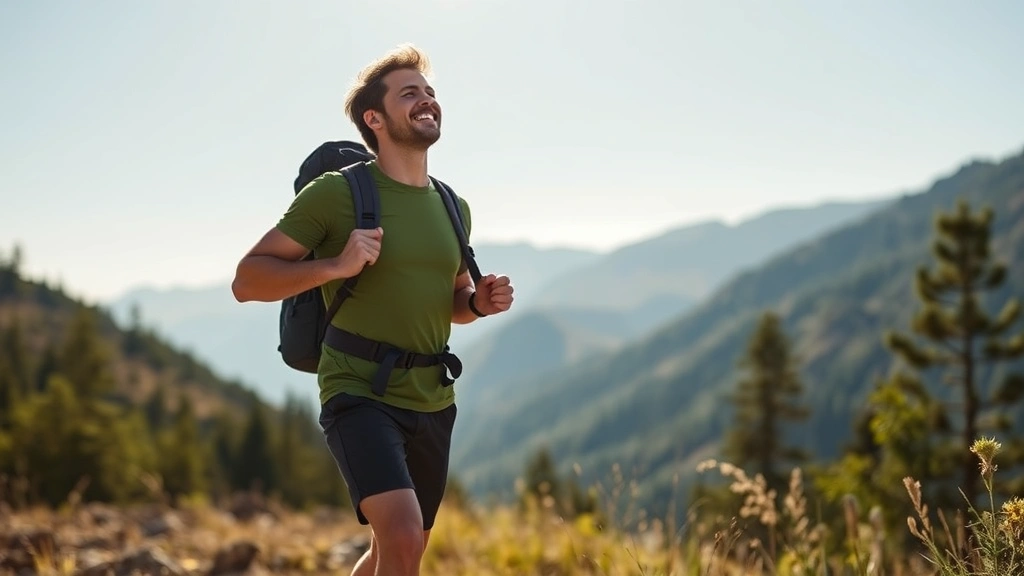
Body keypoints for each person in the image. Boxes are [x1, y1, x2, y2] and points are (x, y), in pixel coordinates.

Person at [230, 43, 514, 575]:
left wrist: (478, 302)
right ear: (374, 118)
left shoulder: (453, 205)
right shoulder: (336, 194)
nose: (427, 100)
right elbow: (247, 281)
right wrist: (334, 266)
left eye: (430, 93)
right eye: (410, 93)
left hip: (431, 397)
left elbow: (452, 303)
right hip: (357, 389)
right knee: (403, 536)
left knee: (398, 549)